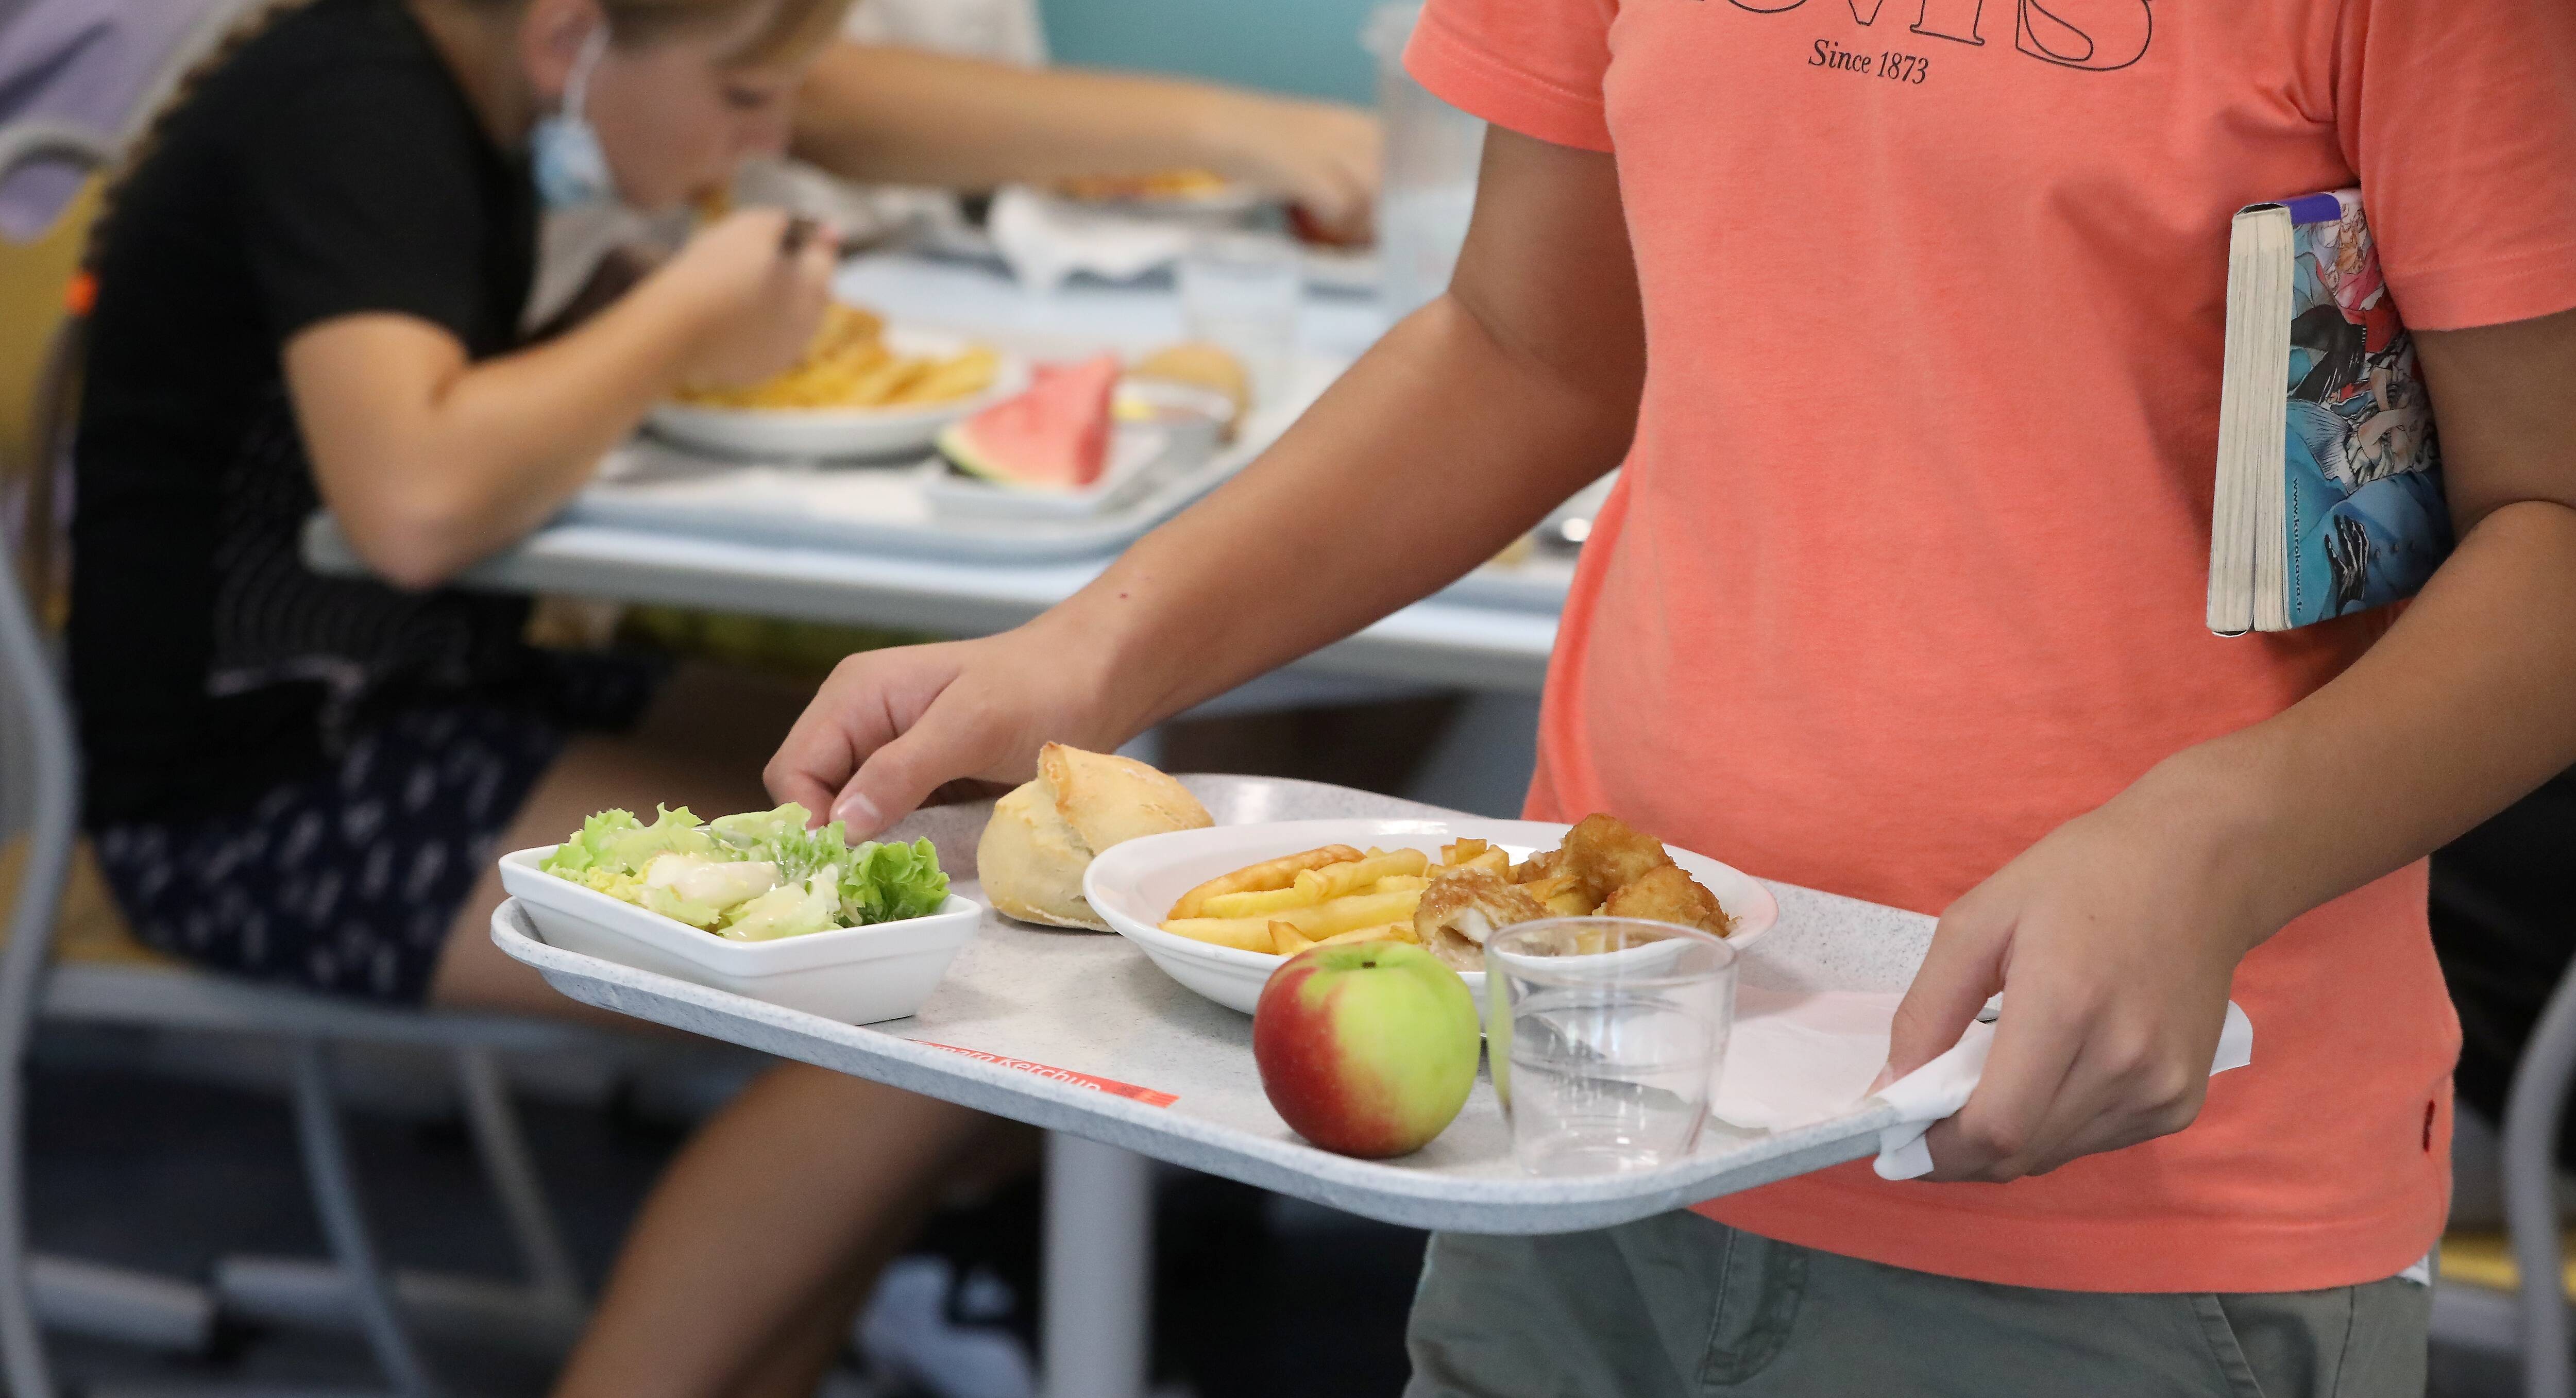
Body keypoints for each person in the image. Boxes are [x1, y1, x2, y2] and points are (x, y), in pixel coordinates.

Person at [735, 0, 2576, 1393]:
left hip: (2114, 1202)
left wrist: (2213, 840)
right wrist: (1082, 658)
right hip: (1580, 1117)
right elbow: (1528, 346)